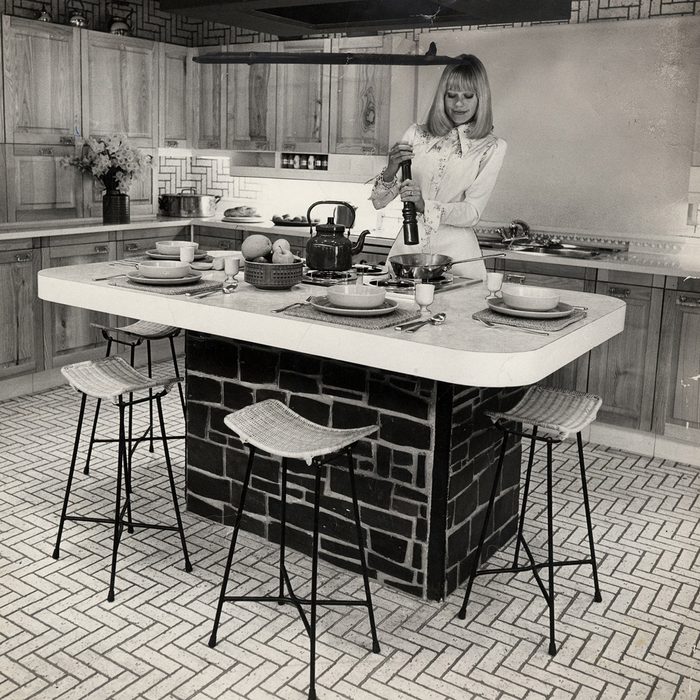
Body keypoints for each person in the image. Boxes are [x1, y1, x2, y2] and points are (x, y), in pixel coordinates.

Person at [370, 54, 506, 281]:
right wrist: (391, 168)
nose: (458, 104)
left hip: (457, 257)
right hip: (408, 252)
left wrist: (424, 205)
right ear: (441, 97)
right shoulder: (416, 134)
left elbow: (472, 213)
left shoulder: (491, 147)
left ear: (481, 98)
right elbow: (378, 201)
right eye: (451, 95)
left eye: (468, 96)